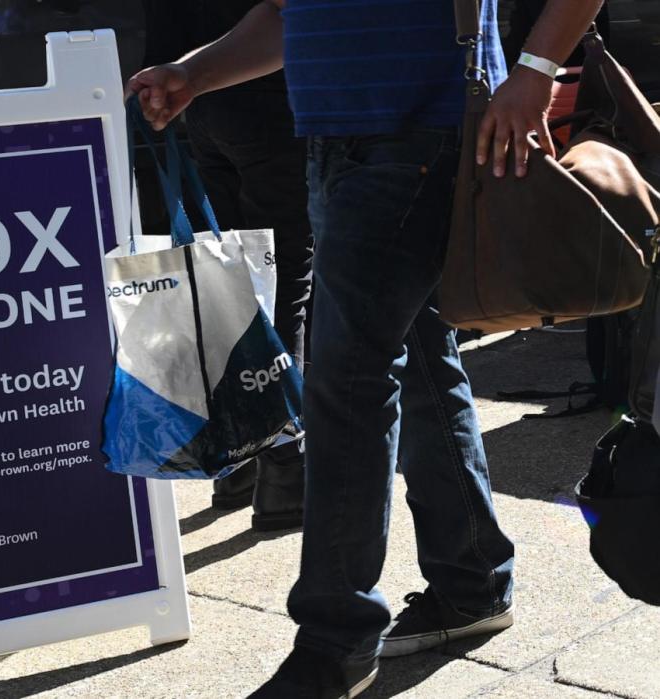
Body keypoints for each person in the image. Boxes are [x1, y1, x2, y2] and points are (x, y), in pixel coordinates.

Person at [128, 0, 603, 696]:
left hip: (418, 137)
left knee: (348, 382)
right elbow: (290, 15)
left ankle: (335, 642)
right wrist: (194, 73)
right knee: (419, 359)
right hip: (336, 139)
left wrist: (534, 71)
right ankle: (472, 579)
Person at [144, 0, 313, 526]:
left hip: (202, 102)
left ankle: (238, 456)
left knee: (230, 283)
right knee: (283, 280)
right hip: (267, 98)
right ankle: (284, 461)